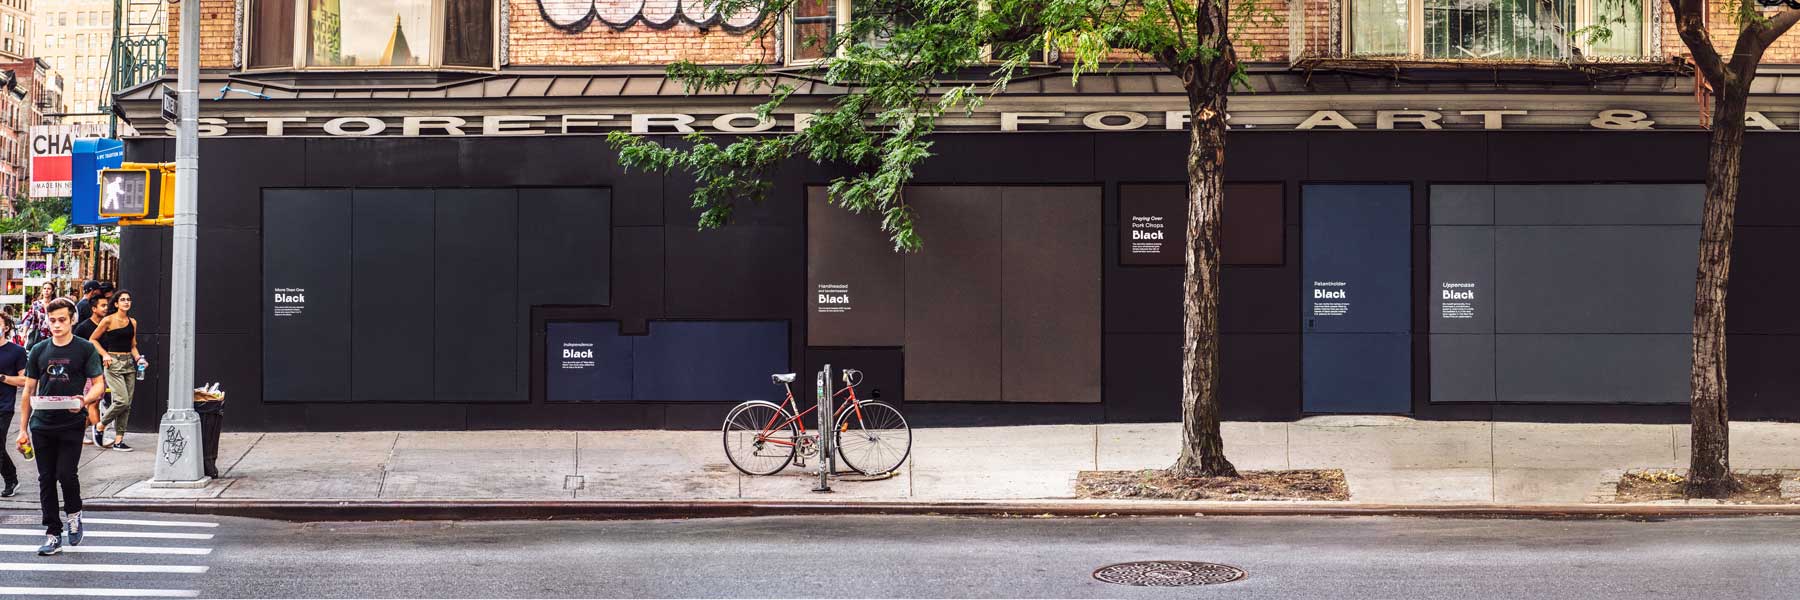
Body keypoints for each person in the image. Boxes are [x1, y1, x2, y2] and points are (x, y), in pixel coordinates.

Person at [16, 298, 106, 556]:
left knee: (66, 474)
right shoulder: (38, 350)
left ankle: (74, 514)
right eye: (52, 320)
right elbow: (28, 390)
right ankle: (53, 533)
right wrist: (23, 429)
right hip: (41, 424)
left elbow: (98, 384)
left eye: (62, 320)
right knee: (45, 479)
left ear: (71, 320)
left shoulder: (84, 349)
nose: (56, 325)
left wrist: (84, 400)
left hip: (71, 422)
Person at [92, 290, 140, 452]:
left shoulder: (132, 322)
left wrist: (139, 359)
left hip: (129, 364)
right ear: (116, 303)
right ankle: (100, 425)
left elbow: (133, 345)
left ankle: (119, 440)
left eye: (129, 299)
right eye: (123, 300)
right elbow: (92, 340)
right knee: (121, 401)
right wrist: (104, 354)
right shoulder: (108, 320)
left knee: (127, 405)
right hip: (113, 363)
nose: (127, 302)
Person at [72, 296, 110, 447]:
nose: (106, 308)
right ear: (94, 309)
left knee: (93, 403)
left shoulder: (106, 325)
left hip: (101, 368)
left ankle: (78, 434)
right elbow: (76, 347)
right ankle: (99, 435)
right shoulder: (83, 327)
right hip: (88, 370)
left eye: (107, 305)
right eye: (103, 305)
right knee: (93, 403)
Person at [0, 314, 25, 498]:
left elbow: (24, 380)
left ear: (6, 327)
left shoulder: (16, 351)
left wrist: (2, 378)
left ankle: (10, 479)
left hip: (4, 406)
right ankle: (11, 478)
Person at [20, 286, 51, 351]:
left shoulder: (55, 304)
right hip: (38, 335)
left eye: (49, 289)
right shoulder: (36, 304)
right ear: (42, 291)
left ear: (52, 291)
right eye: (44, 288)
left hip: (51, 335)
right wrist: (24, 333)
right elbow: (29, 319)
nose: (46, 290)